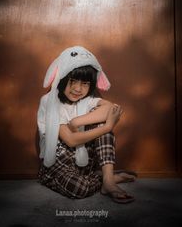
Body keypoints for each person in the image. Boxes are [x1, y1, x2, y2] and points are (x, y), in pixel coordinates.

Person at [37, 46, 136, 203]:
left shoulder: (87, 101)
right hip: (58, 164)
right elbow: (69, 139)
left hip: (83, 161)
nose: (78, 89)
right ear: (62, 79)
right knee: (78, 189)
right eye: (73, 82)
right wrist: (108, 126)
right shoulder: (50, 102)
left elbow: (111, 108)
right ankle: (105, 178)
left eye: (85, 83)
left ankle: (108, 181)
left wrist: (77, 121)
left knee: (101, 127)